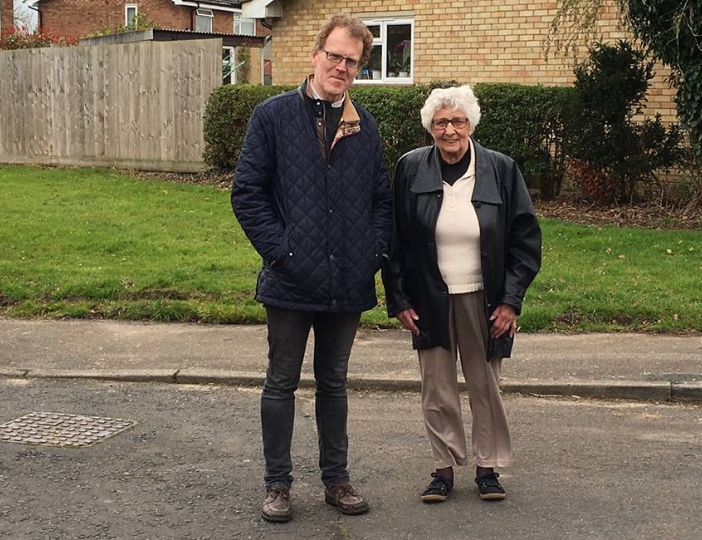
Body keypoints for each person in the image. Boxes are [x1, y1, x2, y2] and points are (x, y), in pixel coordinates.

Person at [231, 14, 392, 523]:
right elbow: (247, 193)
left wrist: (372, 254)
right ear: (315, 54)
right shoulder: (272, 116)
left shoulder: (364, 128)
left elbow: (381, 202)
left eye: (352, 61)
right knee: (280, 383)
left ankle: (337, 480)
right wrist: (280, 252)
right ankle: (277, 484)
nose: (341, 67)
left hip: (346, 280)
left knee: (334, 383)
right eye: (335, 56)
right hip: (289, 279)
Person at [382, 85, 541, 503]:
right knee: (436, 388)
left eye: (457, 121)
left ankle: (487, 469)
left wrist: (510, 300)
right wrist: (398, 299)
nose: (449, 130)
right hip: (429, 296)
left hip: (484, 298)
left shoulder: (501, 169)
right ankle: (443, 470)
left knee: (484, 384)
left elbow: (525, 241)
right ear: (430, 128)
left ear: (470, 124)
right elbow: (394, 237)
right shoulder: (410, 168)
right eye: (441, 122)